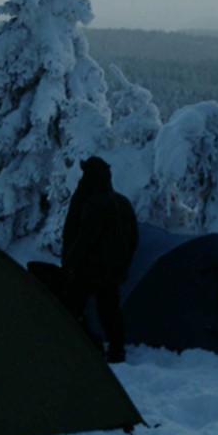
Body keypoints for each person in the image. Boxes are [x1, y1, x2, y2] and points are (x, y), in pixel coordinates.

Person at [61, 156, 139, 364]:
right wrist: (123, 263)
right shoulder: (122, 202)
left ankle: (75, 345)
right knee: (109, 311)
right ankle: (116, 350)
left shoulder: (94, 203)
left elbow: (85, 238)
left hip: (90, 269)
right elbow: (133, 238)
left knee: (70, 306)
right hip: (114, 271)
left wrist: (69, 263)